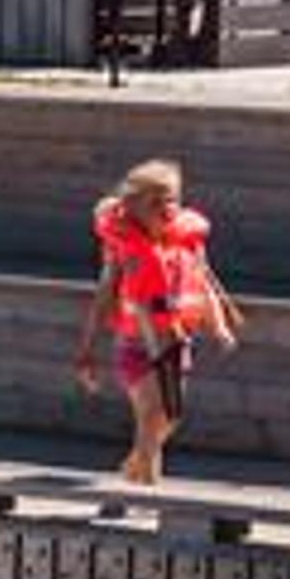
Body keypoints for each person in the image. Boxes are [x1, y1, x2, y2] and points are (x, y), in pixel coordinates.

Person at [74, 157, 241, 485]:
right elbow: (103, 297)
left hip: (176, 341)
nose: (167, 208)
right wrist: (87, 350)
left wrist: (219, 325)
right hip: (136, 345)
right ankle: (147, 492)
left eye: (172, 200)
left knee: (170, 416)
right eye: (155, 202)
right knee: (151, 416)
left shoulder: (188, 242)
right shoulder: (124, 249)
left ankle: (133, 468)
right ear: (133, 208)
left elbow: (203, 283)